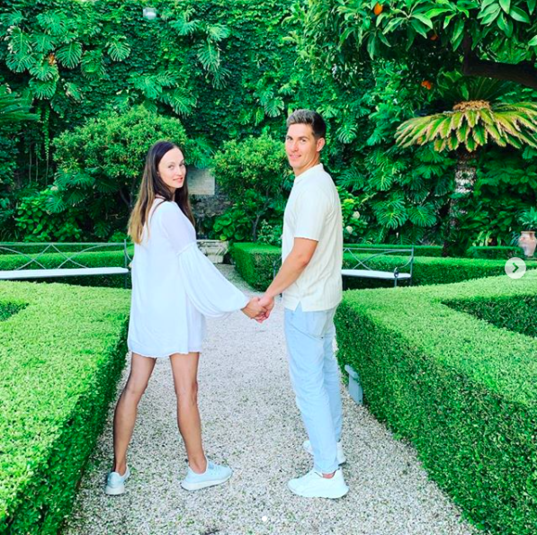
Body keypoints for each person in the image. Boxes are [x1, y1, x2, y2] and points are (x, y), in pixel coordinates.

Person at [105, 140, 265, 495]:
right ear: (155, 171)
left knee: (134, 387)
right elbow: (197, 268)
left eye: (181, 165)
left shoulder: (145, 211)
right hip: (176, 314)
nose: (179, 172)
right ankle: (198, 468)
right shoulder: (170, 213)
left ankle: (118, 472)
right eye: (170, 166)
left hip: (149, 313)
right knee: (187, 391)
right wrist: (242, 302)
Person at [258, 110, 348, 499]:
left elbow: (300, 255)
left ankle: (327, 475)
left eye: (303, 140)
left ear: (319, 143)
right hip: (322, 299)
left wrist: (268, 294)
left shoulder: (312, 189)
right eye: (289, 138)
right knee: (324, 375)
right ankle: (332, 447)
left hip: (306, 302)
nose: (293, 147)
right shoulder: (316, 181)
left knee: (308, 385)